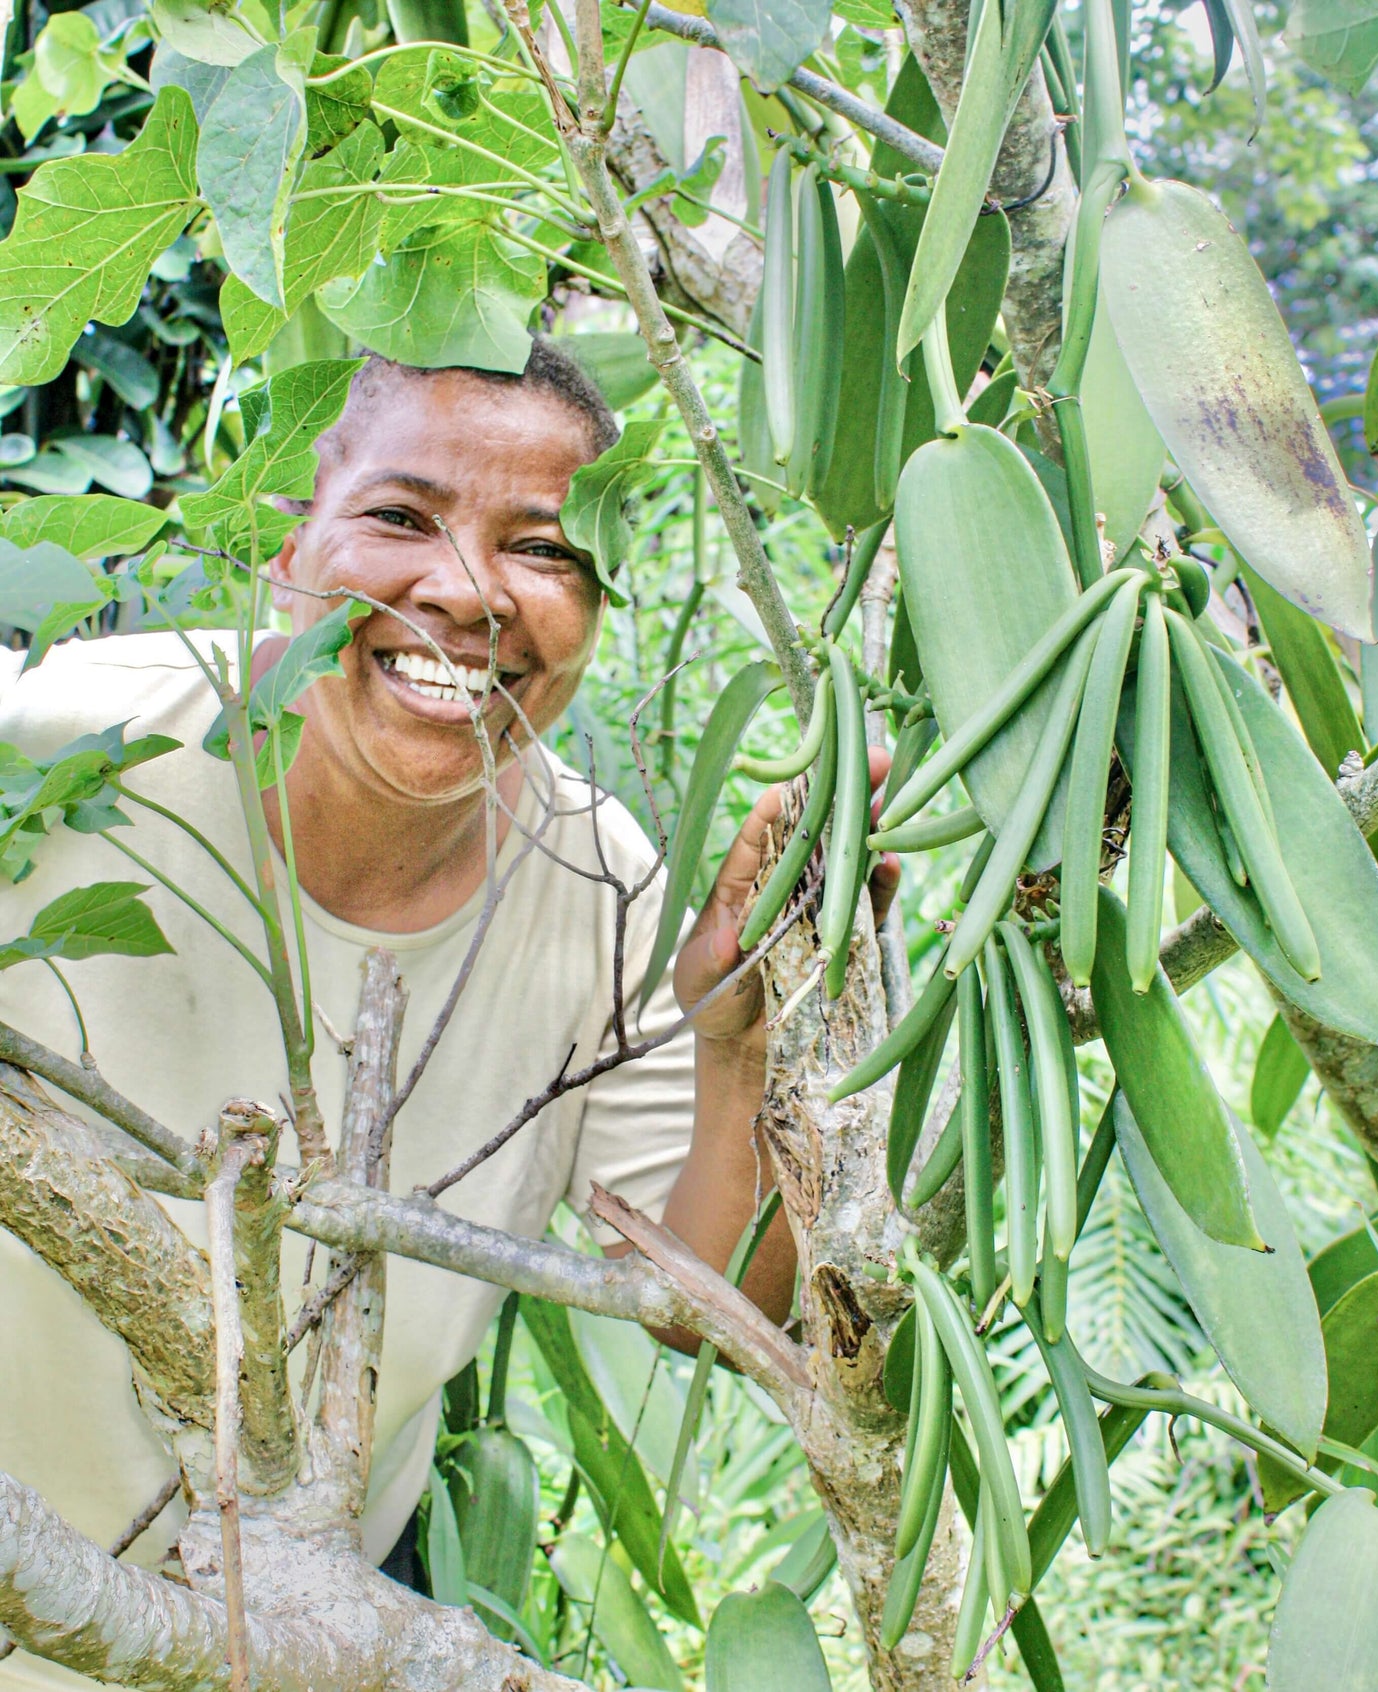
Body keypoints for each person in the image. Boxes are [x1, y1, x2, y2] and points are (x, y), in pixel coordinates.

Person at [0, 342, 894, 1690]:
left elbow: (723, 1300)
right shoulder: (54, 750)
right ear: (294, 530)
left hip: (283, 1653)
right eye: (400, 517)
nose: (466, 593)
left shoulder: (602, 892)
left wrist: (739, 1043)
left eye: (541, 548)